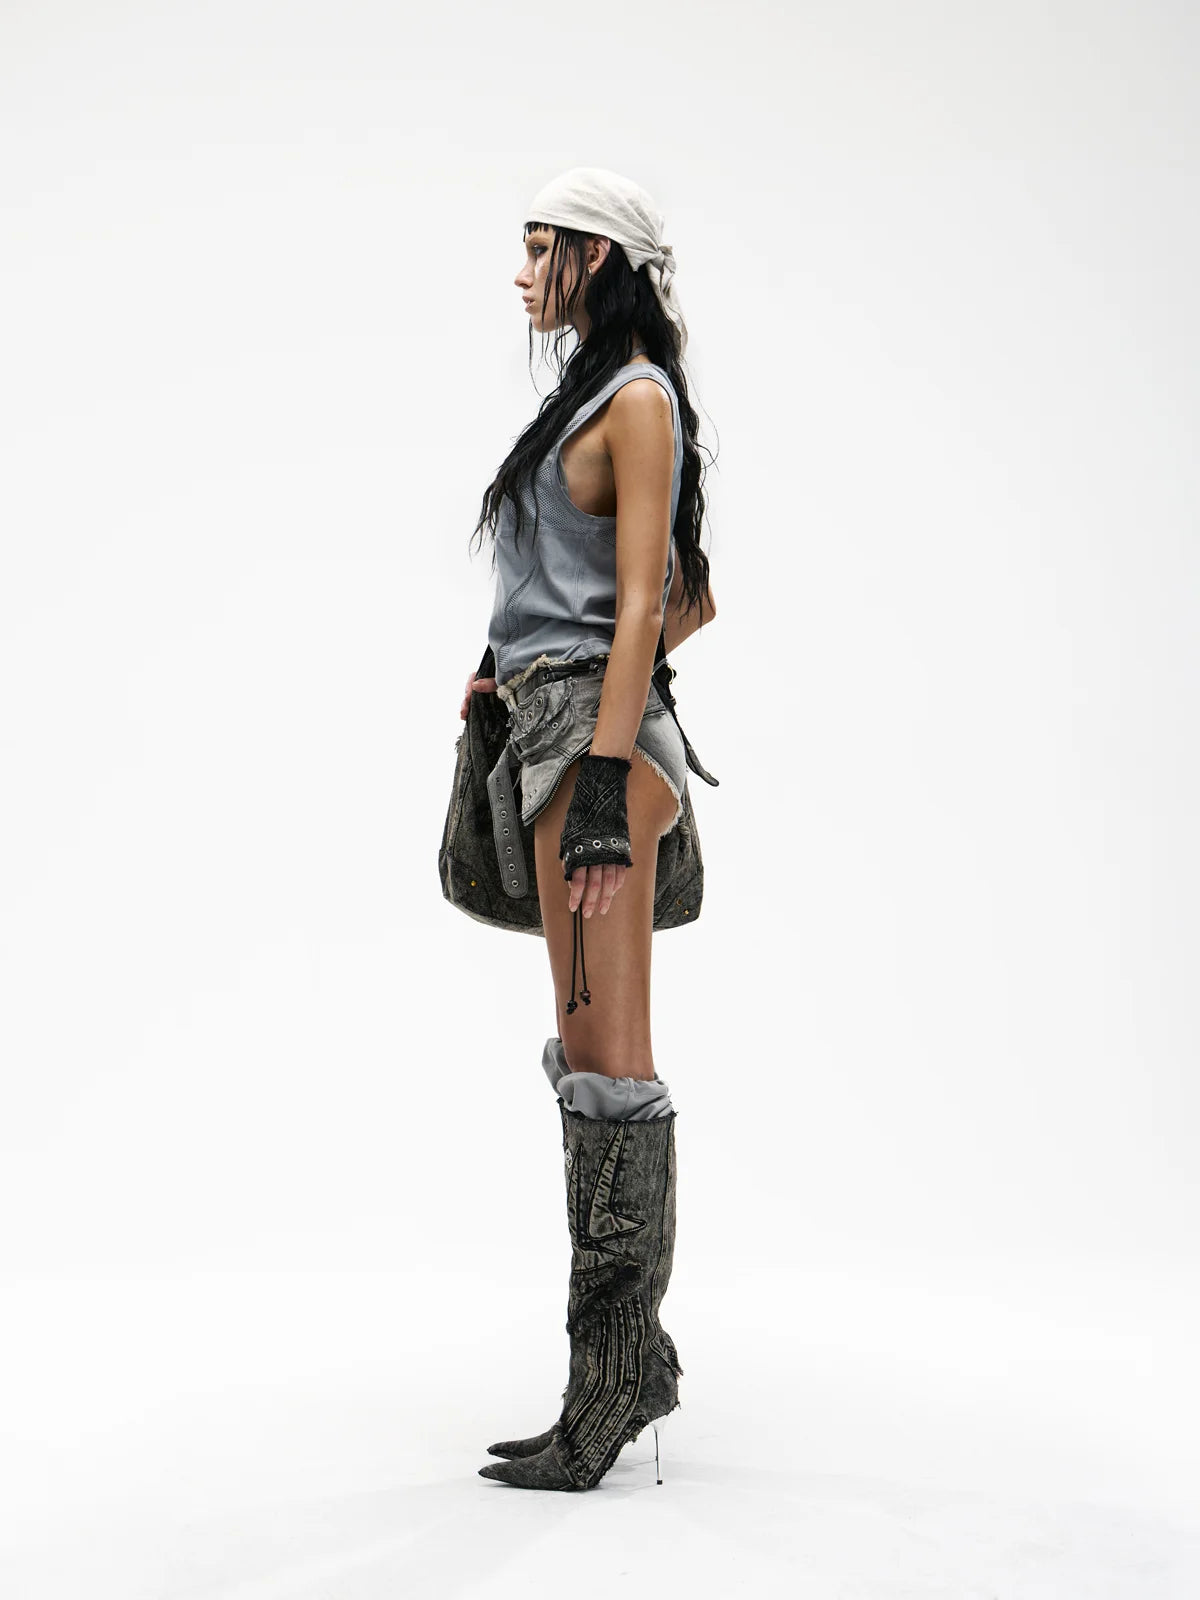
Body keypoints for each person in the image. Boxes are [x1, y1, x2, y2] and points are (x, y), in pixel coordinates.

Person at [460, 167, 718, 1491]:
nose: (521, 274)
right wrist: (502, 668)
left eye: (539, 248)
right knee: (586, 1057)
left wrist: (610, 780)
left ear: (596, 256)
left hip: (592, 752)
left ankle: (610, 1383)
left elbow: (651, 611)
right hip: (552, 730)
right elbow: (678, 598)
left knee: (611, 1063)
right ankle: (623, 1365)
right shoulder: (586, 397)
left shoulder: (637, 402)